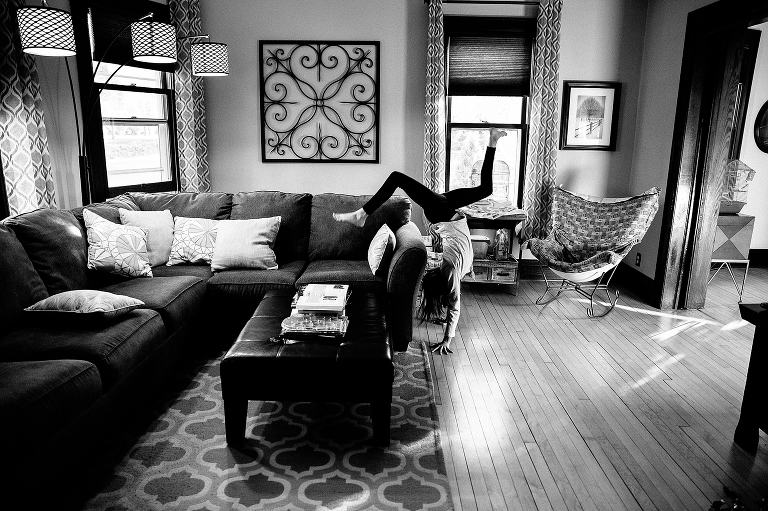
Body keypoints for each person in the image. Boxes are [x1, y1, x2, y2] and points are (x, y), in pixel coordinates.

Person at [333, 127, 507, 354]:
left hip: (445, 214)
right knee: (484, 189)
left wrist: (448, 337)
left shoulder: (454, 272)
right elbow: (454, 307)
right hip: (446, 212)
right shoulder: (452, 273)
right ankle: (493, 140)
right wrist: (448, 337)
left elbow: (454, 306)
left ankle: (362, 214)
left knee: (398, 178)